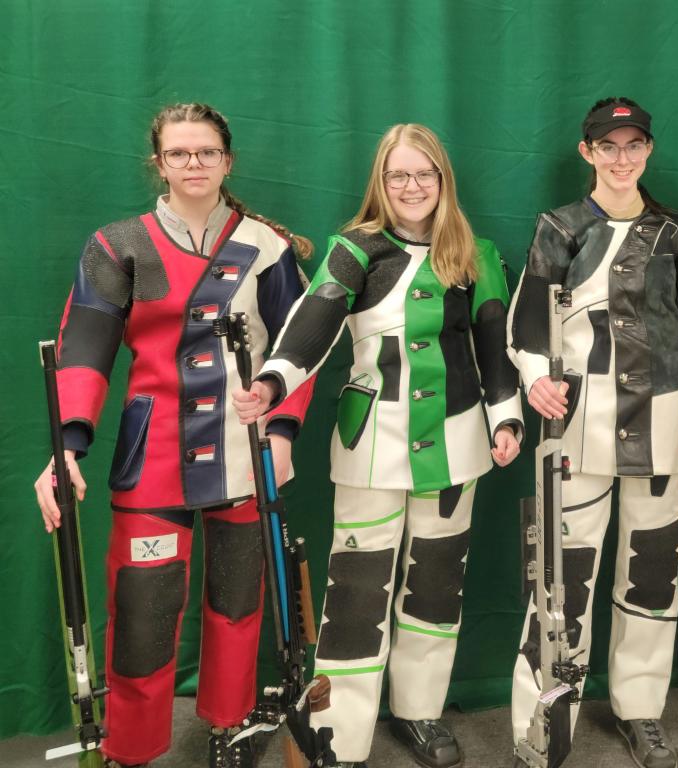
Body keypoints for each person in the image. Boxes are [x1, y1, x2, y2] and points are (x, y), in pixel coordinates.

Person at [33, 103, 316, 768]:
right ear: (158, 162)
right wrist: (65, 446)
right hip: (152, 457)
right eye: (180, 153)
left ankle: (231, 725)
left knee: (236, 602)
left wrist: (282, 435)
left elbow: (301, 348)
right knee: (143, 614)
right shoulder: (117, 245)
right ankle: (131, 749)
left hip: (245, 458)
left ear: (228, 160)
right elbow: (84, 348)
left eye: (207, 152)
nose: (195, 164)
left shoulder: (267, 247)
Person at [233, 123, 523, 768]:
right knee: (356, 594)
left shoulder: (480, 254)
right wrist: (274, 380)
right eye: (399, 175)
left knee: (437, 589)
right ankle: (341, 734)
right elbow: (315, 318)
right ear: (381, 184)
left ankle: (420, 713)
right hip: (371, 447)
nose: (412, 186)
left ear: (443, 180)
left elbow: (493, 347)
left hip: (456, 446)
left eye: (425, 173)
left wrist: (506, 418)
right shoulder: (355, 248)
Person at [506, 97, 678, 768]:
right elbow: (526, 326)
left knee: (652, 575)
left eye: (634, 145)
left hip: (666, 424)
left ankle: (641, 710)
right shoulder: (560, 227)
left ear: (649, 151)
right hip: (578, 428)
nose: (622, 157)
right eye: (609, 146)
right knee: (560, 577)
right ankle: (545, 718)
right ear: (587, 152)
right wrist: (536, 376)